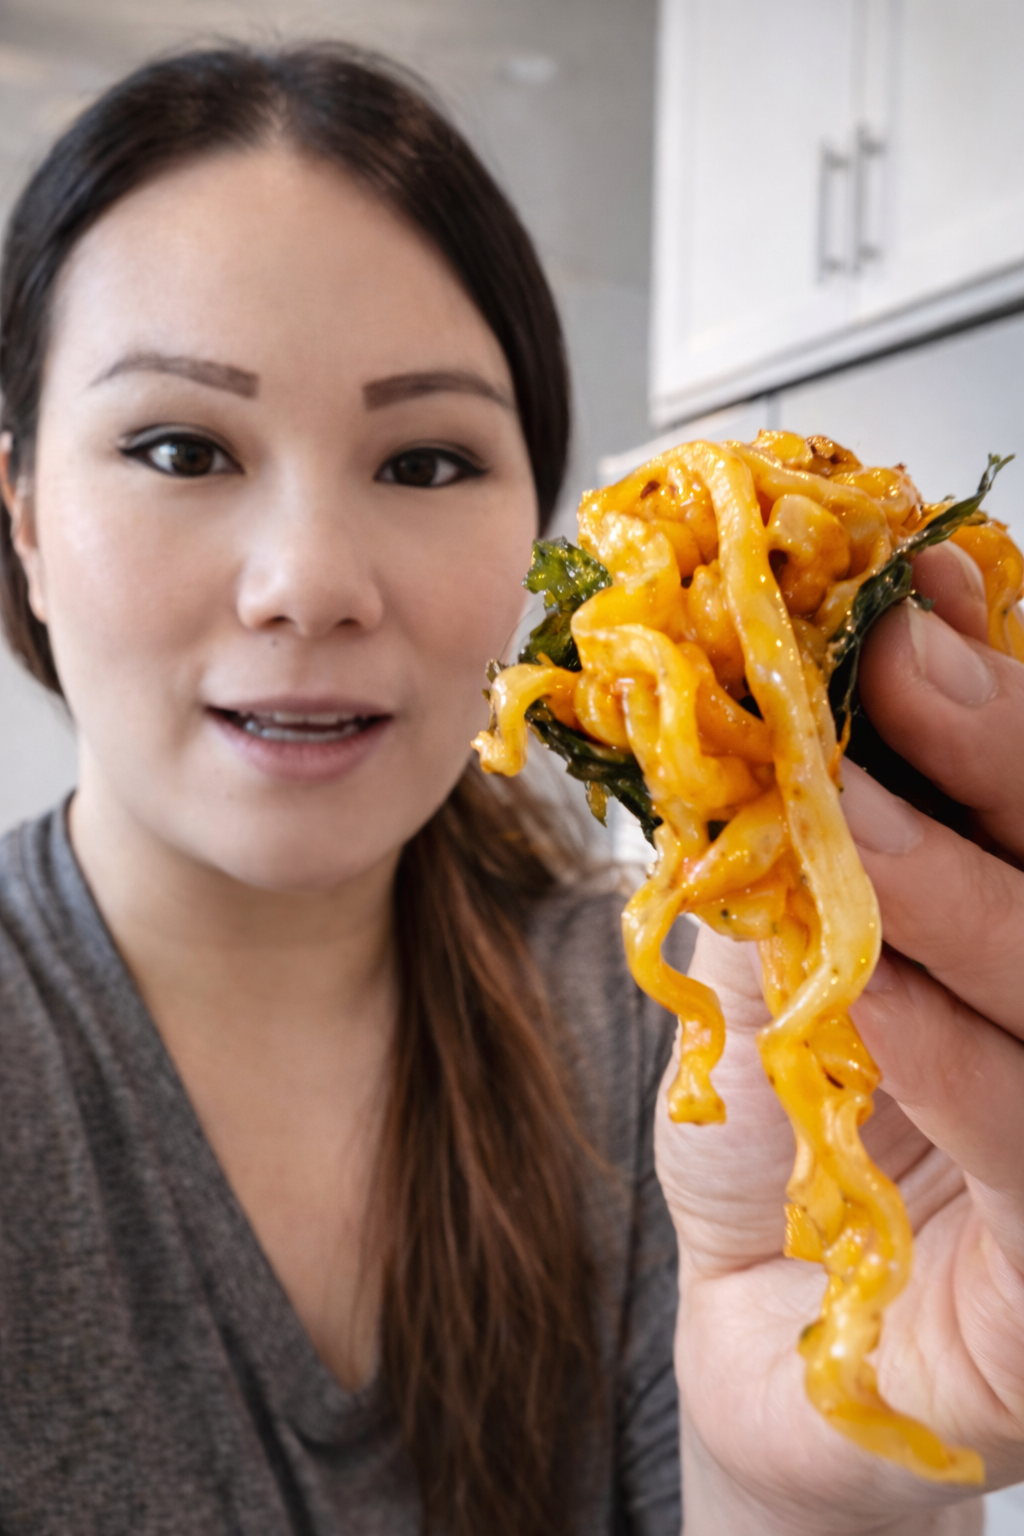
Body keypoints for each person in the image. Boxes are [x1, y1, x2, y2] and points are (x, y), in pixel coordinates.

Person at [0, 38, 1019, 1536]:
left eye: (422, 464)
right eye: (180, 445)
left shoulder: (710, 1031)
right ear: (20, 515)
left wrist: (805, 1475)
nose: (311, 585)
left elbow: (799, 1432)